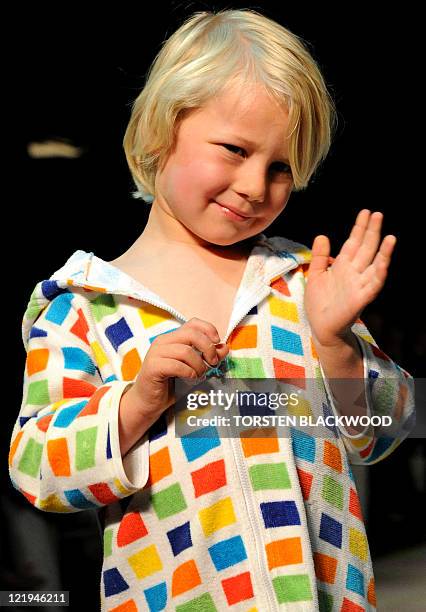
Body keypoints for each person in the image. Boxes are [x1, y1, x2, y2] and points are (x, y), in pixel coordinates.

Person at [9, 9, 415, 611]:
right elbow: (36, 467)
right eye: (234, 149)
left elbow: (385, 432)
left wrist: (336, 348)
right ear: (161, 132)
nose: (256, 186)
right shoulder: (84, 308)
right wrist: (138, 400)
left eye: (281, 168)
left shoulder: (305, 286)